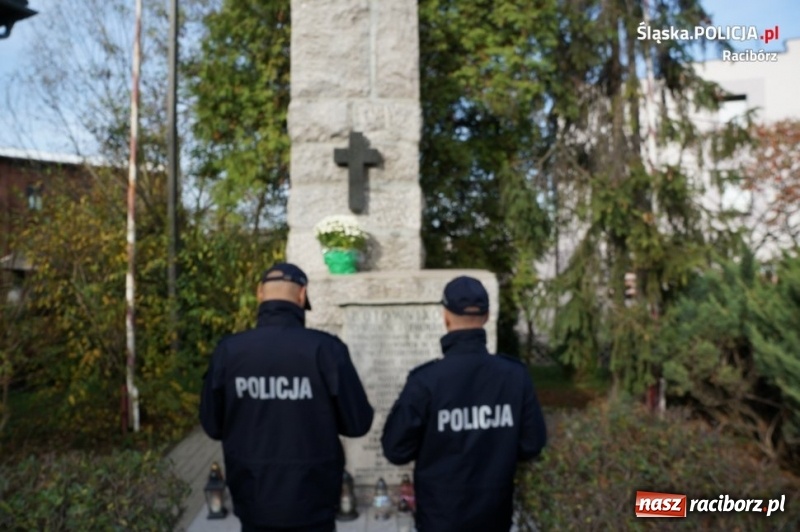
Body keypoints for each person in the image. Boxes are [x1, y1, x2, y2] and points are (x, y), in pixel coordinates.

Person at [200, 262, 374, 532]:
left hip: (253, 497)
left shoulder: (229, 352)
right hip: (313, 499)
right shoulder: (326, 349)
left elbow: (212, 425)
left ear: (259, 293)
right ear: (302, 295)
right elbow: (358, 423)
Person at [381, 276, 547, 532]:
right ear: (487, 316)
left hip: (440, 517)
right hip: (494, 514)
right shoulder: (514, 375)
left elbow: (395, 449)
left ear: (446, 316)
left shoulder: (426, 380)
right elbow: (532, 444)